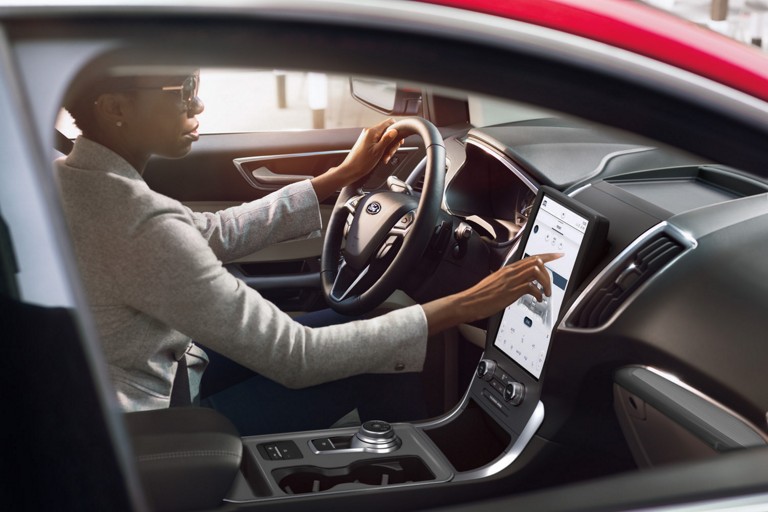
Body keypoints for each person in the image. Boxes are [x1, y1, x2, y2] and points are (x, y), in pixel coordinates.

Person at [56, 68, 560, 434]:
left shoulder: (77, 182)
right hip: (155, 425)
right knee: (382, 365)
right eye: (183, 89)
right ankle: (436, 489)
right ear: (115, 108)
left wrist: (335, 179)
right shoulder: (135, 220)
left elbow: (211, 232)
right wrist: (467, 304)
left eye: (197, 85)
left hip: (150, 374)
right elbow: (297, 357)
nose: (198, 104)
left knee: (361, 321)